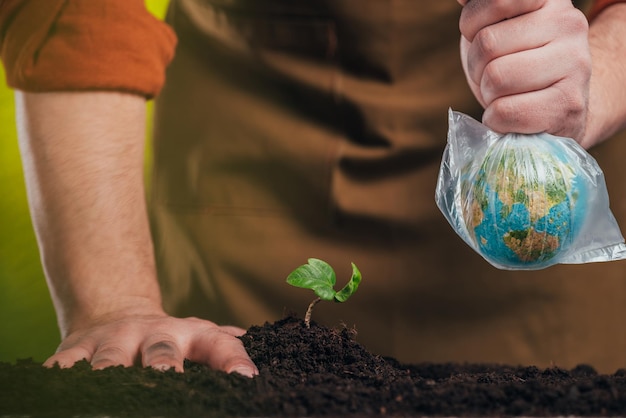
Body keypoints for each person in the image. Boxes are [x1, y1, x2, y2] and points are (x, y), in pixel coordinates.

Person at [2, 0, 626, 377]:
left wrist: (594, 74)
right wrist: (113, 304)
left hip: (535, 233)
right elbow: (79, 17)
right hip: (256, 178)